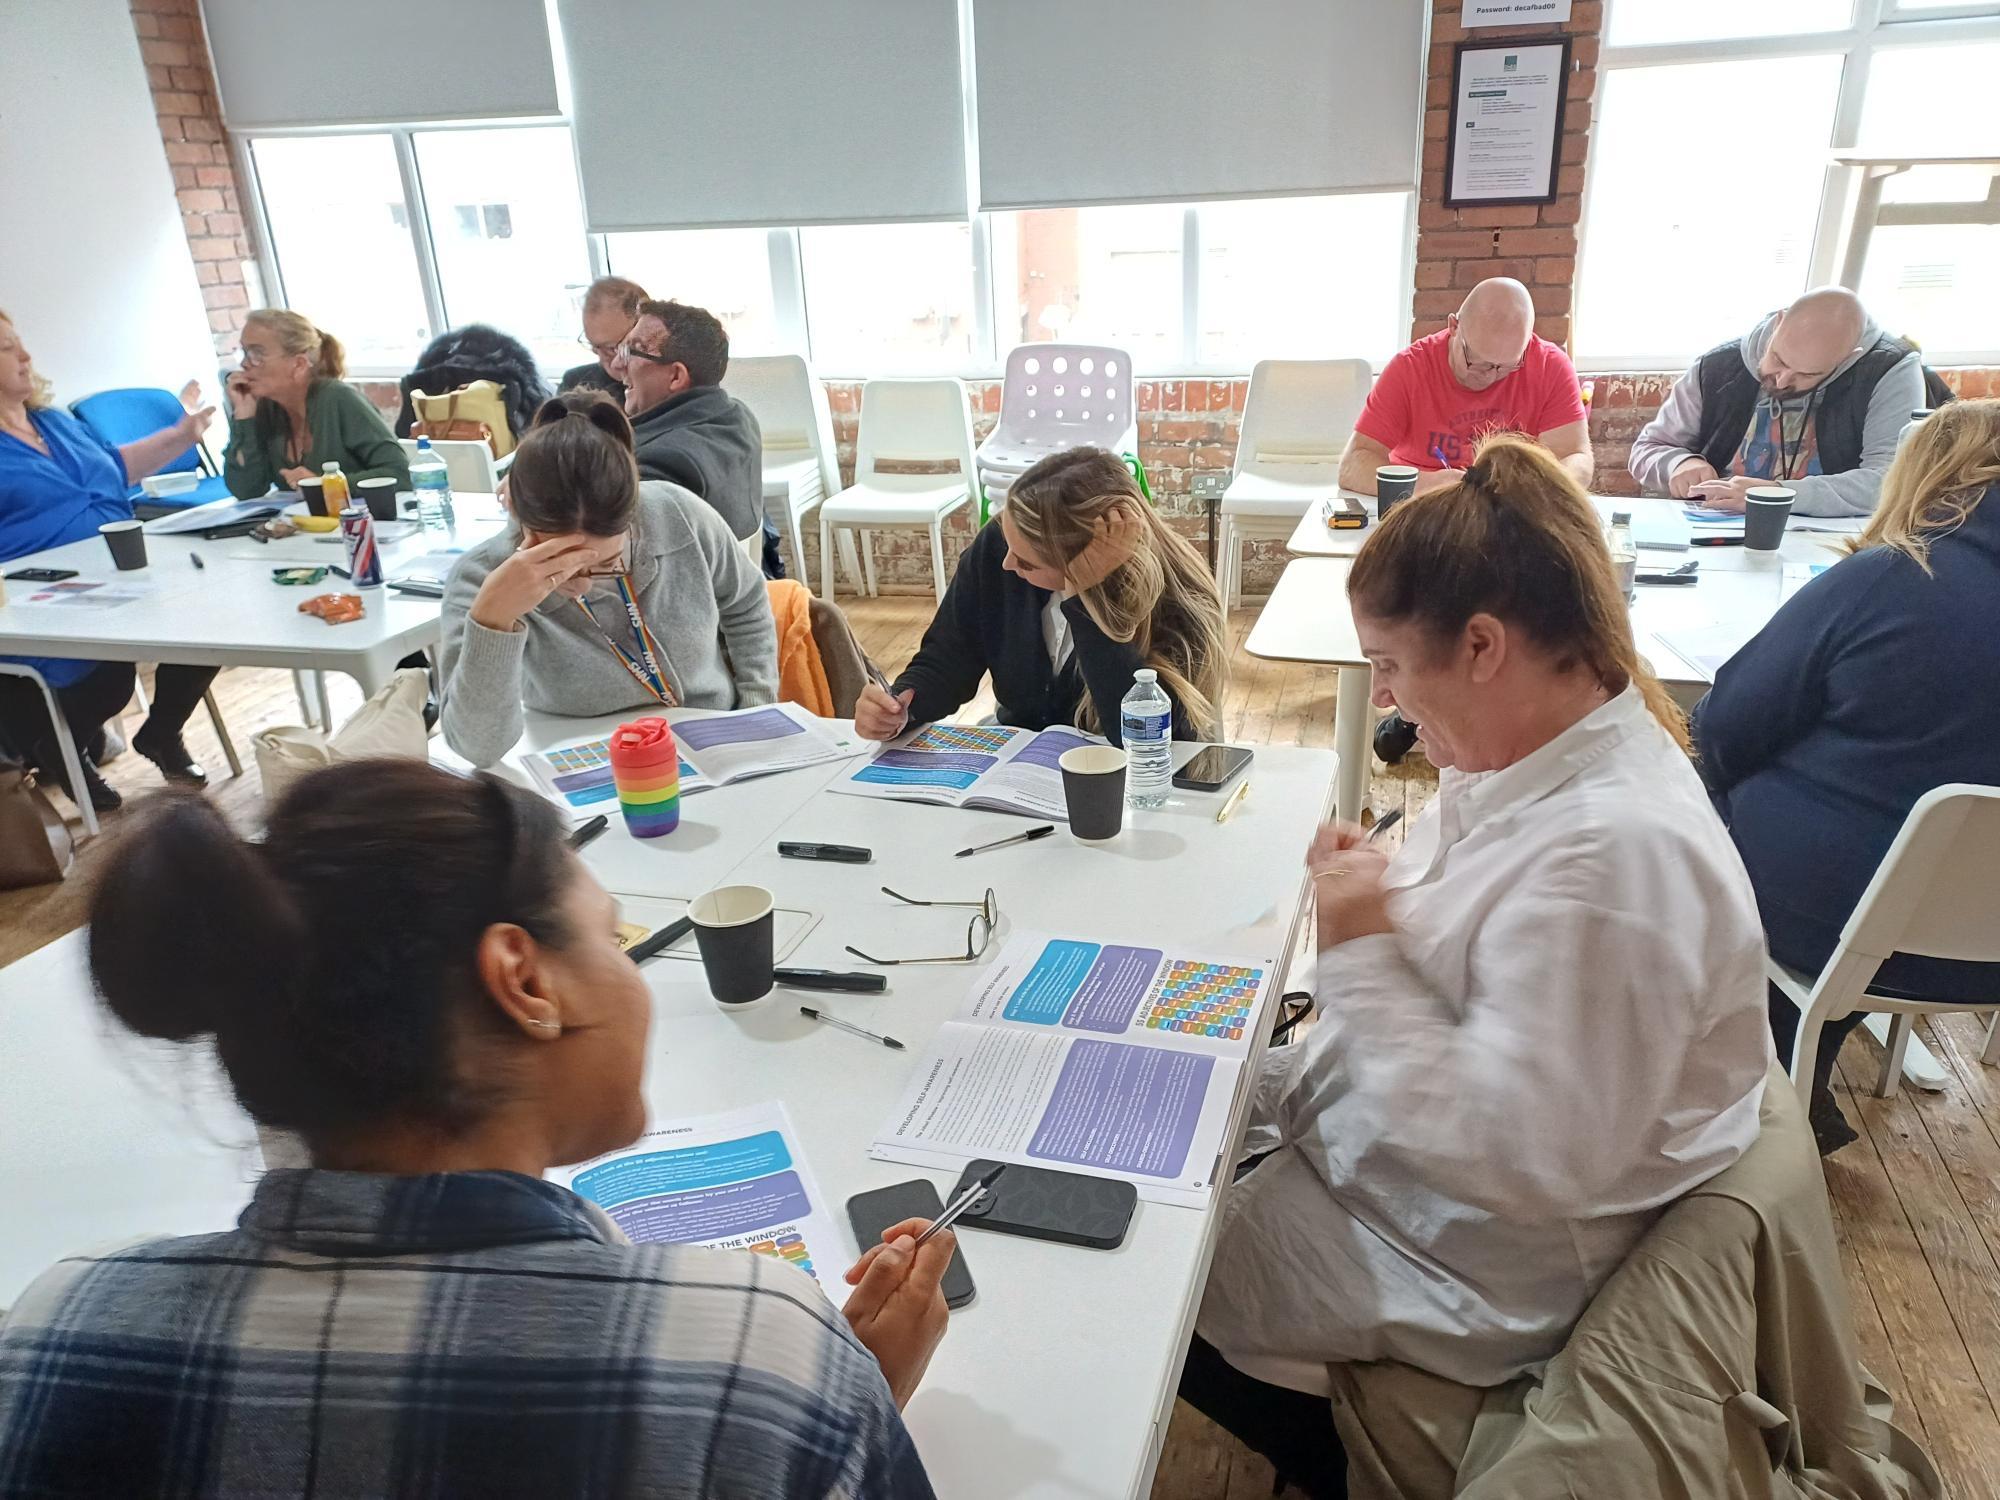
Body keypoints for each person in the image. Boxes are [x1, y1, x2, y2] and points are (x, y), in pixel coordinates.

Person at [0, 763, 949, 1497]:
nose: (632, 974)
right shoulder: (757, 1359)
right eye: (612, 937)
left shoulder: (54, 1334)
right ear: (526, 982)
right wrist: (842, 1416)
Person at [1184, 437, 1771, 1498]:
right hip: (1402, 1175)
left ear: (1485, 646)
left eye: (1394, 668)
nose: (1396, 710)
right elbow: (1466, 970)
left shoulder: (1616, 860)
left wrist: (1360, 940)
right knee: (1160, 1116)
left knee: (1137, 1265)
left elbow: (1516, 1154)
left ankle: (1326, 1456)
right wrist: (1375, 910)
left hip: (1472, 1256)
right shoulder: (1530, 765)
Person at [1693, 398, 2000, 1153]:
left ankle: (1739, 1071)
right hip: (1979, 951)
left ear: (1931, 480)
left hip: (1843, 923)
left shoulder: (1889, 579)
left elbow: (1724, 726)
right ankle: (1799, 1054)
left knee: (1698, 788)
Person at [439, 391, 777, 769]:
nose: (583, 584)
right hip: (581, 759)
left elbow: (746, 603)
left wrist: (754, 712)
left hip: (710, 742)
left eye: (604, 564)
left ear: (632, 513)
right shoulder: (482, 578)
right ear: (522, 522)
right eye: (564, 564)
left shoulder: (678, 514)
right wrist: (495, 620)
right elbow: (476, 749)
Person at [855, 447, 1227, 746]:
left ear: (1081, 556)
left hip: (1126, 779)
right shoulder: (1001, 547)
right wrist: (901, 703)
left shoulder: (1180, 598)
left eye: (1028, 562)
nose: (1005, 564)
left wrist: (1086, 597)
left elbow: (1145, 738)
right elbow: (948, 658)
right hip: (1021, 763)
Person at [0, 309, 221, 806]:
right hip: (36, 596)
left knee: (214, 617)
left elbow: (115, 468)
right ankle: (57, 748)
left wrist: (184, 435)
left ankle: (161, 730)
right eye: (6, 347)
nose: (26, 355)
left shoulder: (54, 422)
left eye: (20, 342)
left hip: (117, 569)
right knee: (109, 671)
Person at [1628, 286, 1926, 517]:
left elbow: (1892, 482)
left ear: (1850, 357)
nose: (1781, 380)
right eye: (1778, 359)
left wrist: (1775, 494)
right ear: (1778, 323)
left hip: (1829, 540)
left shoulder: (1889, 371)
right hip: (1714, 529)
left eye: (1807, 373)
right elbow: (1647, 449)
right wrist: (1679, 463)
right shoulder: (1719, 366)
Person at [1338, 277, 1592, 497]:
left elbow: (1575, 458)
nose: (1491, 377)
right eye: (1477, 363)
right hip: (1423, 503)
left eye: (1506, 367)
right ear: (1454, 327)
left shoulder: (1550, 366)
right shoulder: (1410, 368)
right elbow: (1354, 465)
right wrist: (1429, 484)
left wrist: (1535, 491)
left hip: (1510, 509)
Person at [618, 299, 768, 551]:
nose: (617, 364)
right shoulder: (738, 416)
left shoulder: (660, 463)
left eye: (633, 351)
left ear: (676, 376)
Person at [222, 309, 410, 498]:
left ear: (299, 364)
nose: (245, 364)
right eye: (244, 352)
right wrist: (244, 417)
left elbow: (400, 474)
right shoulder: (266, 407)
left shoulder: (339, 399)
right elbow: (247, 490)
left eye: (257, 355)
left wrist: (328, 485)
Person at [558, 275, 647, 404]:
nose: (608, 363)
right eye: (594, 347)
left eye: (611, 349)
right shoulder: (576, 386)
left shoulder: (668, 383)